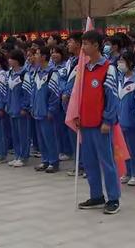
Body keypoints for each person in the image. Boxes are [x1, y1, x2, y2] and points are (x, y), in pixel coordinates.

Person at [76, 30, 120, 215]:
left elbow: (112, 97)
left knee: (107, 162)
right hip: (85, 125)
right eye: (82, 44)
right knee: (90, 162)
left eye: (86, 44)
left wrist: (107, 120)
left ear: (96, 45)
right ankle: (96, 195)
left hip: (100, 125)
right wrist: (77, 115)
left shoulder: (108, 68)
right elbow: (77, 96)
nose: (83, 48)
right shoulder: (83, 68)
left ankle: (113, 198)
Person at [32, 46, 60, 173]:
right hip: (37, 111)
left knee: (50, 138)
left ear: (43, 57)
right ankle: (45, 160)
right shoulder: (36, 72)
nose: (35, 57)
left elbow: (54, 94)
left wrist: (51, 109)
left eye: (37, 54)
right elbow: (33, 92)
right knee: (41, 138)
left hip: (46, 112)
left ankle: (53, 162)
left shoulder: (52, 72)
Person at [117, 50, 135, 186]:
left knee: (134, 149)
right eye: (119, 61)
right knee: (123, 148)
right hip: (120, 120)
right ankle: (127, 171)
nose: (120, 64)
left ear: (130, 63)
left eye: (123, 61)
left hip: (132, 121)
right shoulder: (119, 78)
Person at [62, 32, 83, 176]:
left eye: (70, 41)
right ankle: (78, 164)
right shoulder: (70, 61)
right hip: (68, 103)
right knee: (73, 135)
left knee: (83, 138)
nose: (68, 44)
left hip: (78, 104)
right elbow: (64, 79)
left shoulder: (84, 61)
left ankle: (85, 165)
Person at [6, 49, 32, 167]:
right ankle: (17, 155)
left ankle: (23, 156)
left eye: (11, 58)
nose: (9, 60)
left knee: (23, 134)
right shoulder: (10, 73)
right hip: (12, 109)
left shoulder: (24, 74)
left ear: (17, 60)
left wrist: (24, 107)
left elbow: (27, 92)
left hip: (21, 110)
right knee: (15, 134)